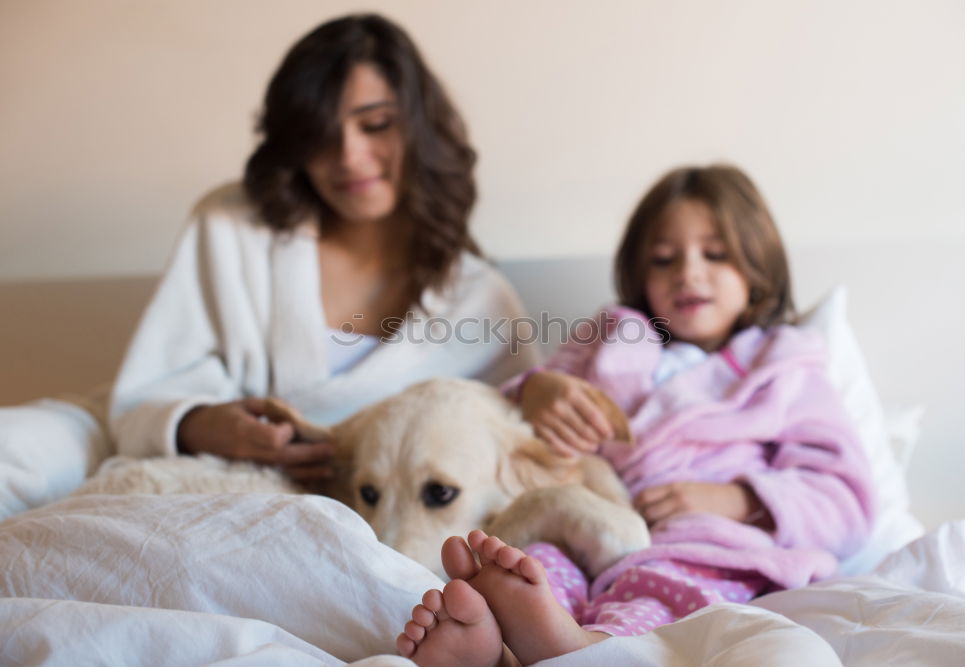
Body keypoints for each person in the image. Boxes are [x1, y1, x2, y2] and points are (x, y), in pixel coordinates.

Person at [0, 13, 537, 517]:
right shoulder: (234, 223)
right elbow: (151, 386)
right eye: (320, 134)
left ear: (421, 127)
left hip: (324, 504)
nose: (349, 156)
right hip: (169, 450)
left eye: (375, 124)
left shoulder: (481, 298)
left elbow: (514, 439)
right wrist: (200, 424)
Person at [396, 164, 875, 666]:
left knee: (665, 586)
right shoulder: (606, 342)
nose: (688, 272)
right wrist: (537, 389)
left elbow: (846, 495)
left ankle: (592, 648)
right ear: (640, 276)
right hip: (597, 522)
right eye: (665, 259)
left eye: (715, 254)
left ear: (759, 272)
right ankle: (497, 643)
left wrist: (739, 500)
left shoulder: (787, 371)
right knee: (533, 568)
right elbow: (507, 420)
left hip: (709, 544)